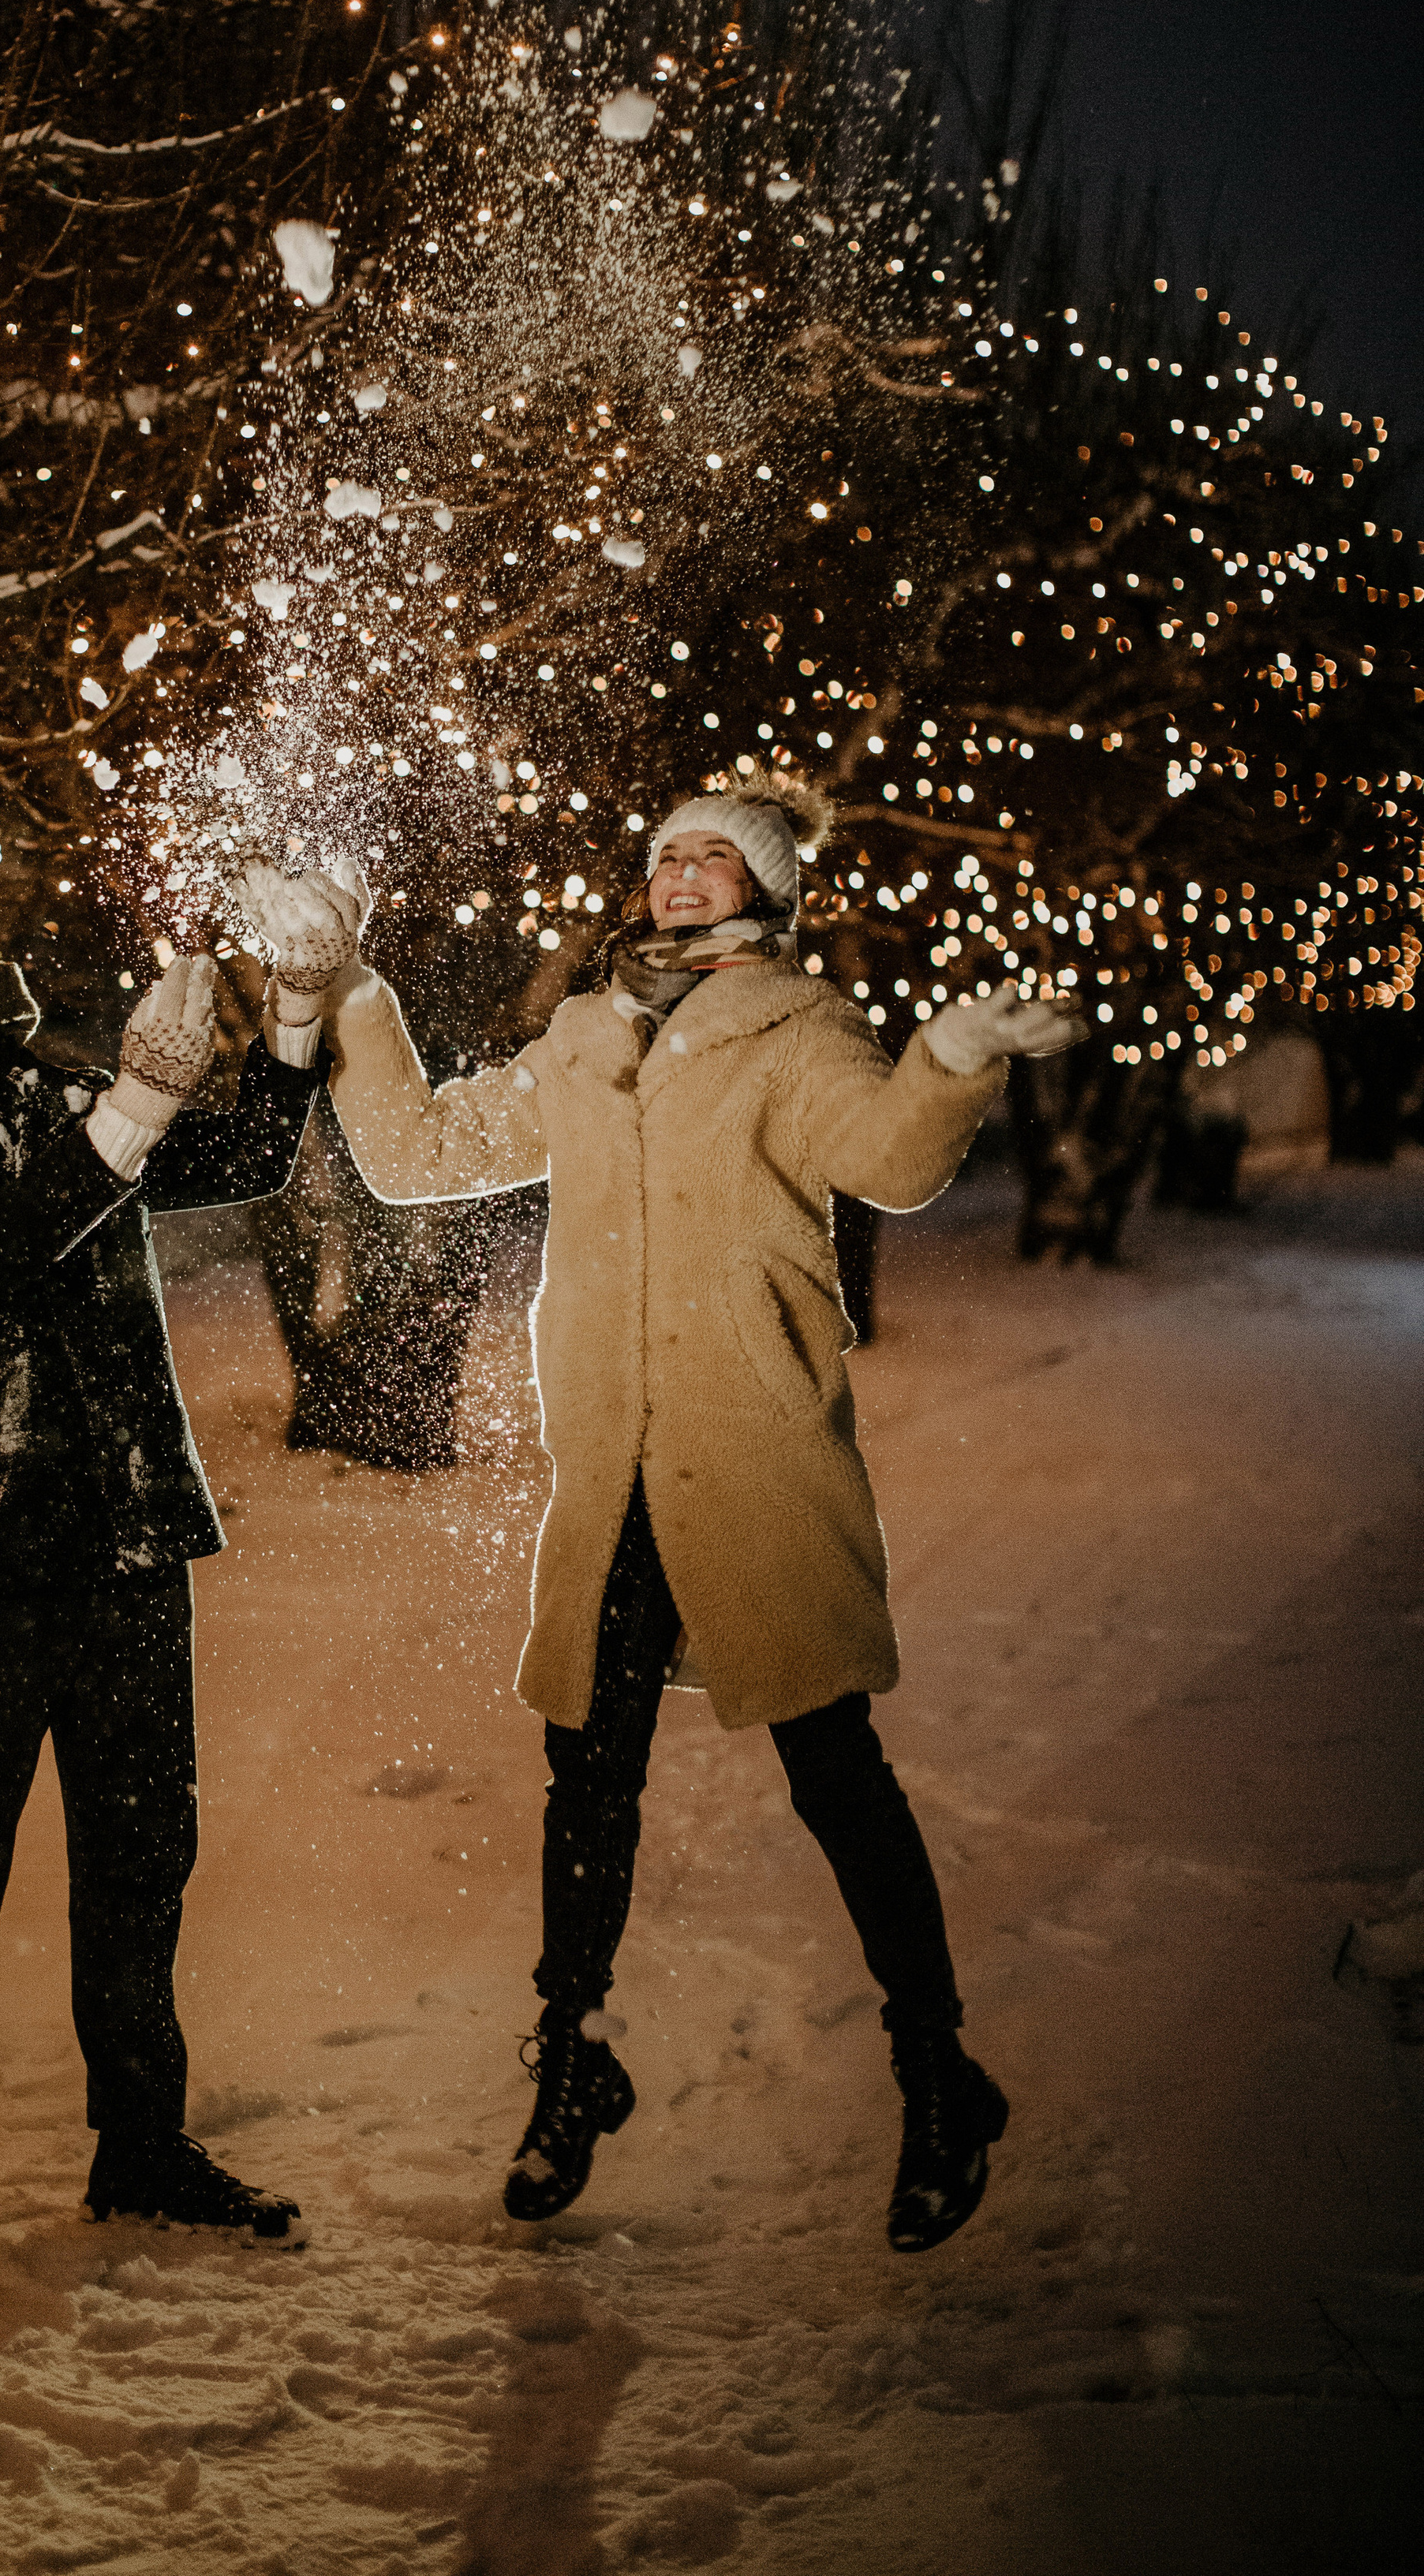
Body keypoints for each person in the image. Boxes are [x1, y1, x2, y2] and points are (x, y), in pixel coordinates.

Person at [276, 776, 1085, 2250]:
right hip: (615, 1471)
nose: (684, 874)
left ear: (766, 891)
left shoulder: (800, 1031)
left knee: (835, 1772)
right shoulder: (586, 1039)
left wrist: (951, 1058)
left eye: (717, 858)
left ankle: (937, 2073)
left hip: (758, 1456)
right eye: (668, 856)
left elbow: (893, 1160)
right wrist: (352, 993)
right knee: (587, 1776)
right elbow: (417, 1156)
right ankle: (571, 2063)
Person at [0, 858, 359, 2295]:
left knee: (140, 1851)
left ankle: (141, 2147)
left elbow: (243, 1158)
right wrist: (131, 1109)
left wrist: (296, 1012)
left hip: (131, 1523)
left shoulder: (56, 1087)